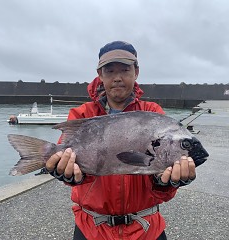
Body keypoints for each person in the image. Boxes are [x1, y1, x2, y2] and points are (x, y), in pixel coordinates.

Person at [45, 41, 196, 240]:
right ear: (100, 75)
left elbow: (158, 177)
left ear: (136, 72)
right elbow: (73, 166)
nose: (117, 78)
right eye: (109, 71)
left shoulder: (153, 113)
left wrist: (166, 181)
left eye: (125, 70)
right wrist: (69, 174)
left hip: (146, 228)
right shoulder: (82, 114)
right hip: (91, 228)